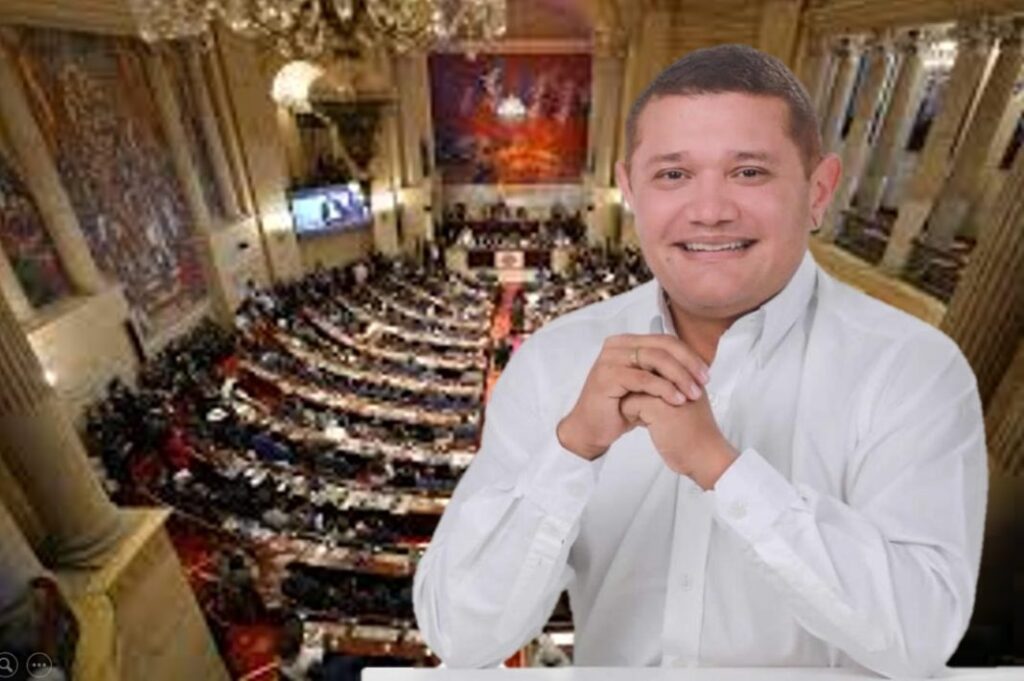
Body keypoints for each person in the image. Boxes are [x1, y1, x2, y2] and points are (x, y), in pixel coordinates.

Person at [413, 44, 987, 677]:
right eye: (673, 175)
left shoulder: (913, 369)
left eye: (750, 172)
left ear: (819, 190)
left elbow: (920, 640)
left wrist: (722, 469)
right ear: (630, 190)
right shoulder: (554, 361)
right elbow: (461, 637)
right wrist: (572, 449)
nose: (710, 211)